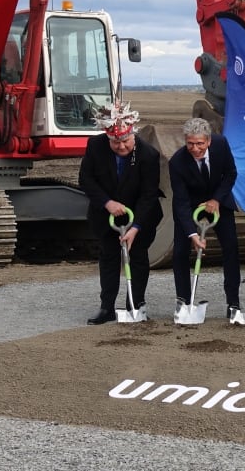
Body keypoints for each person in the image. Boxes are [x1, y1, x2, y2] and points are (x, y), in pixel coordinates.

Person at [79, 101, 164, 325]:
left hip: (140, 214)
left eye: (125, 141)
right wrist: (107, 203)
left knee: (137, 258)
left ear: (132, 135)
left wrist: (135, 228)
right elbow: (86, 180)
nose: (122, 147)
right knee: (108, 257)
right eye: (116, 143)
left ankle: (135, 305)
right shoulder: (95, 146)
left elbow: (149, 195)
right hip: (106, 214)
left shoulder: (148, 155)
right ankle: (106, 307)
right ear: (108, 138)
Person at [169, 117, 241, 318]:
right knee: (180, 253)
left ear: (208, 141)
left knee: (231, 248)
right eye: (190, 143)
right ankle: (184, 302)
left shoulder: (221, 144)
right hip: (189, 206)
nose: (195, 148)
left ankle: (233, 303)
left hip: (218, 202)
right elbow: (181, 201)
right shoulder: (177, 162)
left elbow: (230, 174)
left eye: (200, 143)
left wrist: (216, 199)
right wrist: (192, 234)